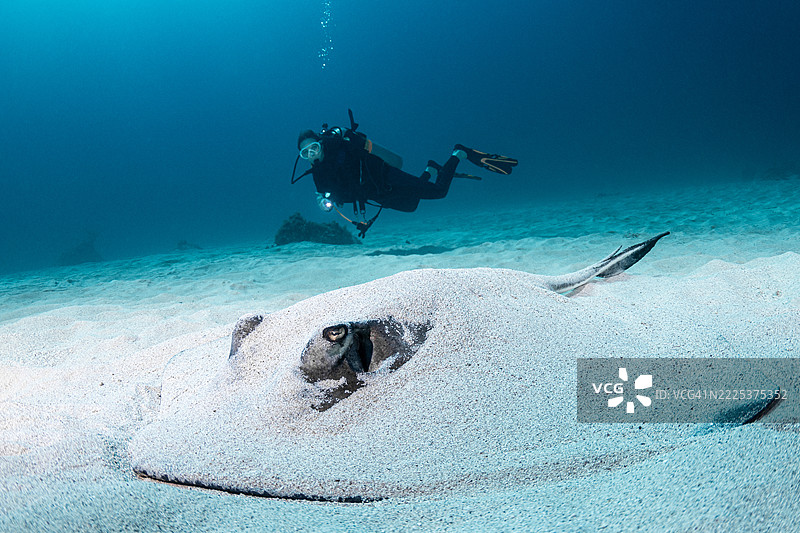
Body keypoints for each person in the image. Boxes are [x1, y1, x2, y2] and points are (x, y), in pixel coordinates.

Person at [291, 110, 518, 237]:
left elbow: (361, 155)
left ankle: (460, 153)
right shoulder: (317, 173)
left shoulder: (340, 147)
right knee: (412, 205)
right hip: (376, 194)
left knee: (439, 192)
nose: (312, 154)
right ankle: (431, 168)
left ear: (321, 143)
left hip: (385, 176)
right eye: (306, 153)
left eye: (314, 147)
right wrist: (324, 201)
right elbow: (327, 195)